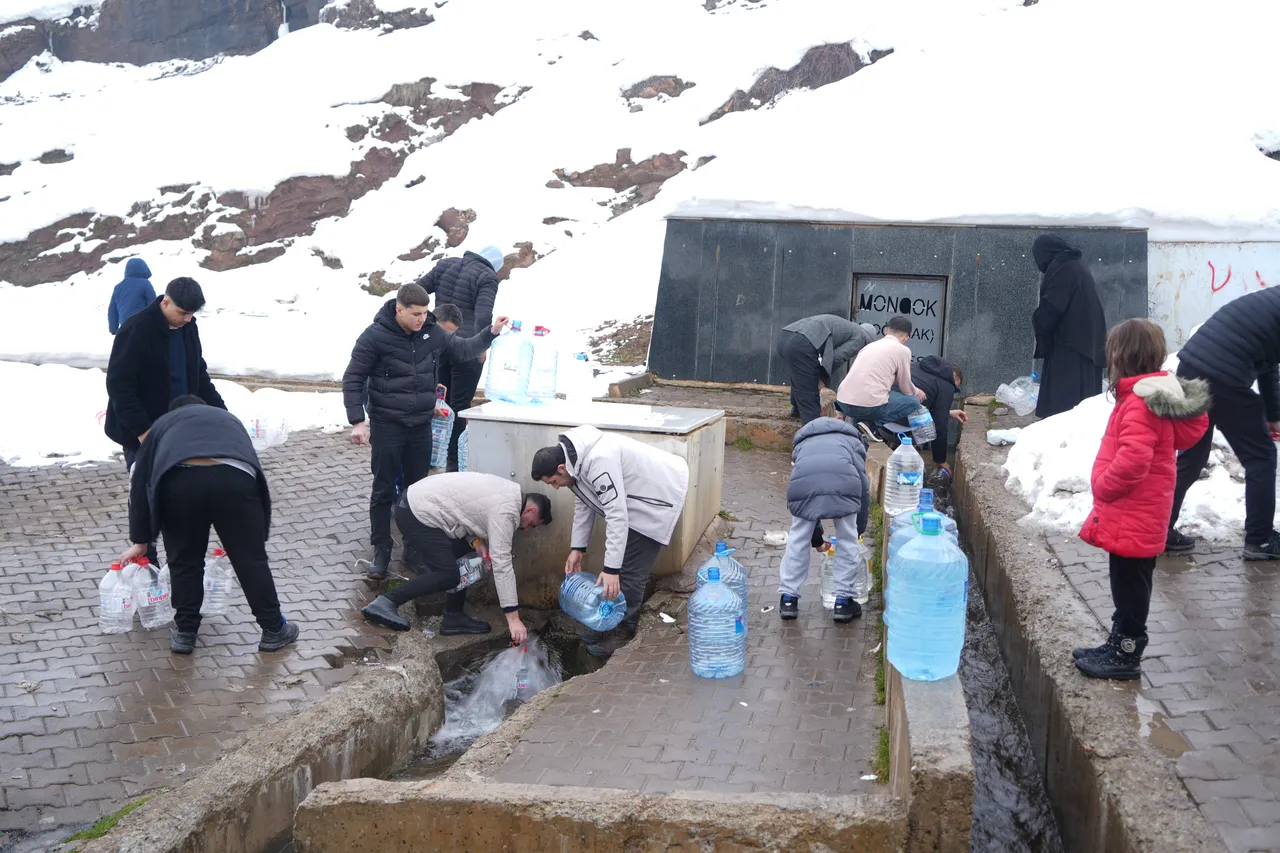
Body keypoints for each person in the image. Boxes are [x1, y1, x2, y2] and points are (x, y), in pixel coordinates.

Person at [342, 283, 509, 580]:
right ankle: (381, 552)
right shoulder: (374, 337)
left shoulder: (432, 333)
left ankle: (413, 550)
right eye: (415, 314)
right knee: (383, 491)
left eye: (424, 313)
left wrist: (491, 333)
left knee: (417, 493)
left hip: (420, 427)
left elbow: (463, 349)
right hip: (387, 425)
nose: (421, 319)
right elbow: (353, 378)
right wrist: (358, 420)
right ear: (399, 309)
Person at [1074, 320, 1209, 679]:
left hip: (1134, 510)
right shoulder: (1149, 397)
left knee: (1131, 585)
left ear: (1121, 356)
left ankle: (1127, 653)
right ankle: (1118, 641)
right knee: (1128, 580)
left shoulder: (1140, 402)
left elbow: (1135, 459)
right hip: (1140, 511)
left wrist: (1104, 485)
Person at [120, 396, 298, 655]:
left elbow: (140, 483)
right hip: (234, 480)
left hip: (179, 485)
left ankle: (185, 633)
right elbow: (250, 461)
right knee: (250, 560)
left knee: (184, 561)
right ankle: (273, 629)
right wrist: (246, 535)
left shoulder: (162, 425)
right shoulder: (227, 419)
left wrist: (140, 540)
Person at [532, 426, 689, 658]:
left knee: (630, 571)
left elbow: (617, 514)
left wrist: (611, 570)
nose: (555, 487)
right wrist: (577, 548)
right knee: (621, 568)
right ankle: (612, 622)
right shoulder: (576, 463)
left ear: (561, 468)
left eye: (554, 481)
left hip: (658, 496)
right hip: (634, 501)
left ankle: (624, 630)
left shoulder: (598, 460)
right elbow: (584, 504)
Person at [105, 277, 226, 565]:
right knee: (145, 493)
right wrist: (143, 431)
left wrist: (222, 415)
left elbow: (199, 375)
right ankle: (148, 559)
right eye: (182, 312)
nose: (187, 319)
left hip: (180, 428)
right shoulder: (136, 329)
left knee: (179, 491)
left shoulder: (188, 328)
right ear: (165, 301)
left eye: (192, 314)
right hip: (142, 430)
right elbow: (120, 386)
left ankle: (181, 558)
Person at [360, 473, 552, 639]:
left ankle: (453, 617)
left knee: (462, 556)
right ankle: (386, 601)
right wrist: (513, 619)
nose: (526, 529)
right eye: (531, 524)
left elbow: (463, 512)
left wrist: (476, 542)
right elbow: (502, 565)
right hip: (417, 513)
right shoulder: (507, 512)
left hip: (419, 503)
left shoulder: (508, 493)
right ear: (530, 510)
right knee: (448, 574)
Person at [1166, 287, 1280, 560]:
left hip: (1191, 366)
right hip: (1223, 378)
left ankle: (1157, 529)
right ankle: (1260, 540)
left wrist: (1273, 413)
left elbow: (1268, 361)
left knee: (1191, 459)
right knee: (1261, 456)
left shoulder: (1270, 301)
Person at [418, 246, 504, 471]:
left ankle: (429, 451)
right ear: (494, 266)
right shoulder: (487, 277)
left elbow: (417, 290)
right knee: (459, 405)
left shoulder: (445, 264)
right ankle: (453, 462)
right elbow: (483, 313)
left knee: (438, 399)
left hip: (438, 343)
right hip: (466, 347)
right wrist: (482, 345)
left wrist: (427, 321)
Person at [778, 417, 871, 623]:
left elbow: (812, 504)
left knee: (798, 537)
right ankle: (843, 602)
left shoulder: (803, 443)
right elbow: (863, 490)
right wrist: (859, 530)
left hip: (802, 485)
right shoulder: (853, 442)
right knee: (847, 538)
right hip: (845, 483)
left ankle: (788, 598)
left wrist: (817, 540)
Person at [1031, 233, 1107, 419]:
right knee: (1081, 401)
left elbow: (1053, 306)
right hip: (1084, 343)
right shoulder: (1074, 264)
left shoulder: (1063, 267)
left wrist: (1039, 319)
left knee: (1064, 406)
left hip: (1072, 346)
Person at [776, 315, 875, 425]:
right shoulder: (860, 337)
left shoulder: (848, 327)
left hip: (785, 336)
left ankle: (797, 410)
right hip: (803, 341)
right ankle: (813, 432)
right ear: (870, 341)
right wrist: (822, 380)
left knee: (802, 375)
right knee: (810, 393)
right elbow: (837, 358)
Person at [835, 316, 926, 431]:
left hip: (843, 403)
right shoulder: (903, 351)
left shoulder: (869, 346)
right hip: (866, 407)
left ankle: (858, 428)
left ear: (886, 331)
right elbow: (905, 387)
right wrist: (917, 392)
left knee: (870, 396)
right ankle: (871, 425)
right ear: (906, 338)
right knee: (913, 402)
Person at [910, 356, 968, 476]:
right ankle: (914, 460)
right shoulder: (947, 385)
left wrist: (948, 412)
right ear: (953, 378)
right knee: (927, 425)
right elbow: (940, 426)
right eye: (955, 388)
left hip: (883, 412)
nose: (953, 391)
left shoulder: (917, 367)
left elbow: (927, 405)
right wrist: (940, 460)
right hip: (904, 418)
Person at [108, 257, 156, 335]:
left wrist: (113, 329)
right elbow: (154, 304)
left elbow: (112, 311)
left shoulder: (118, 287)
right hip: (142, 326)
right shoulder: (145, 283)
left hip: (125, 328)